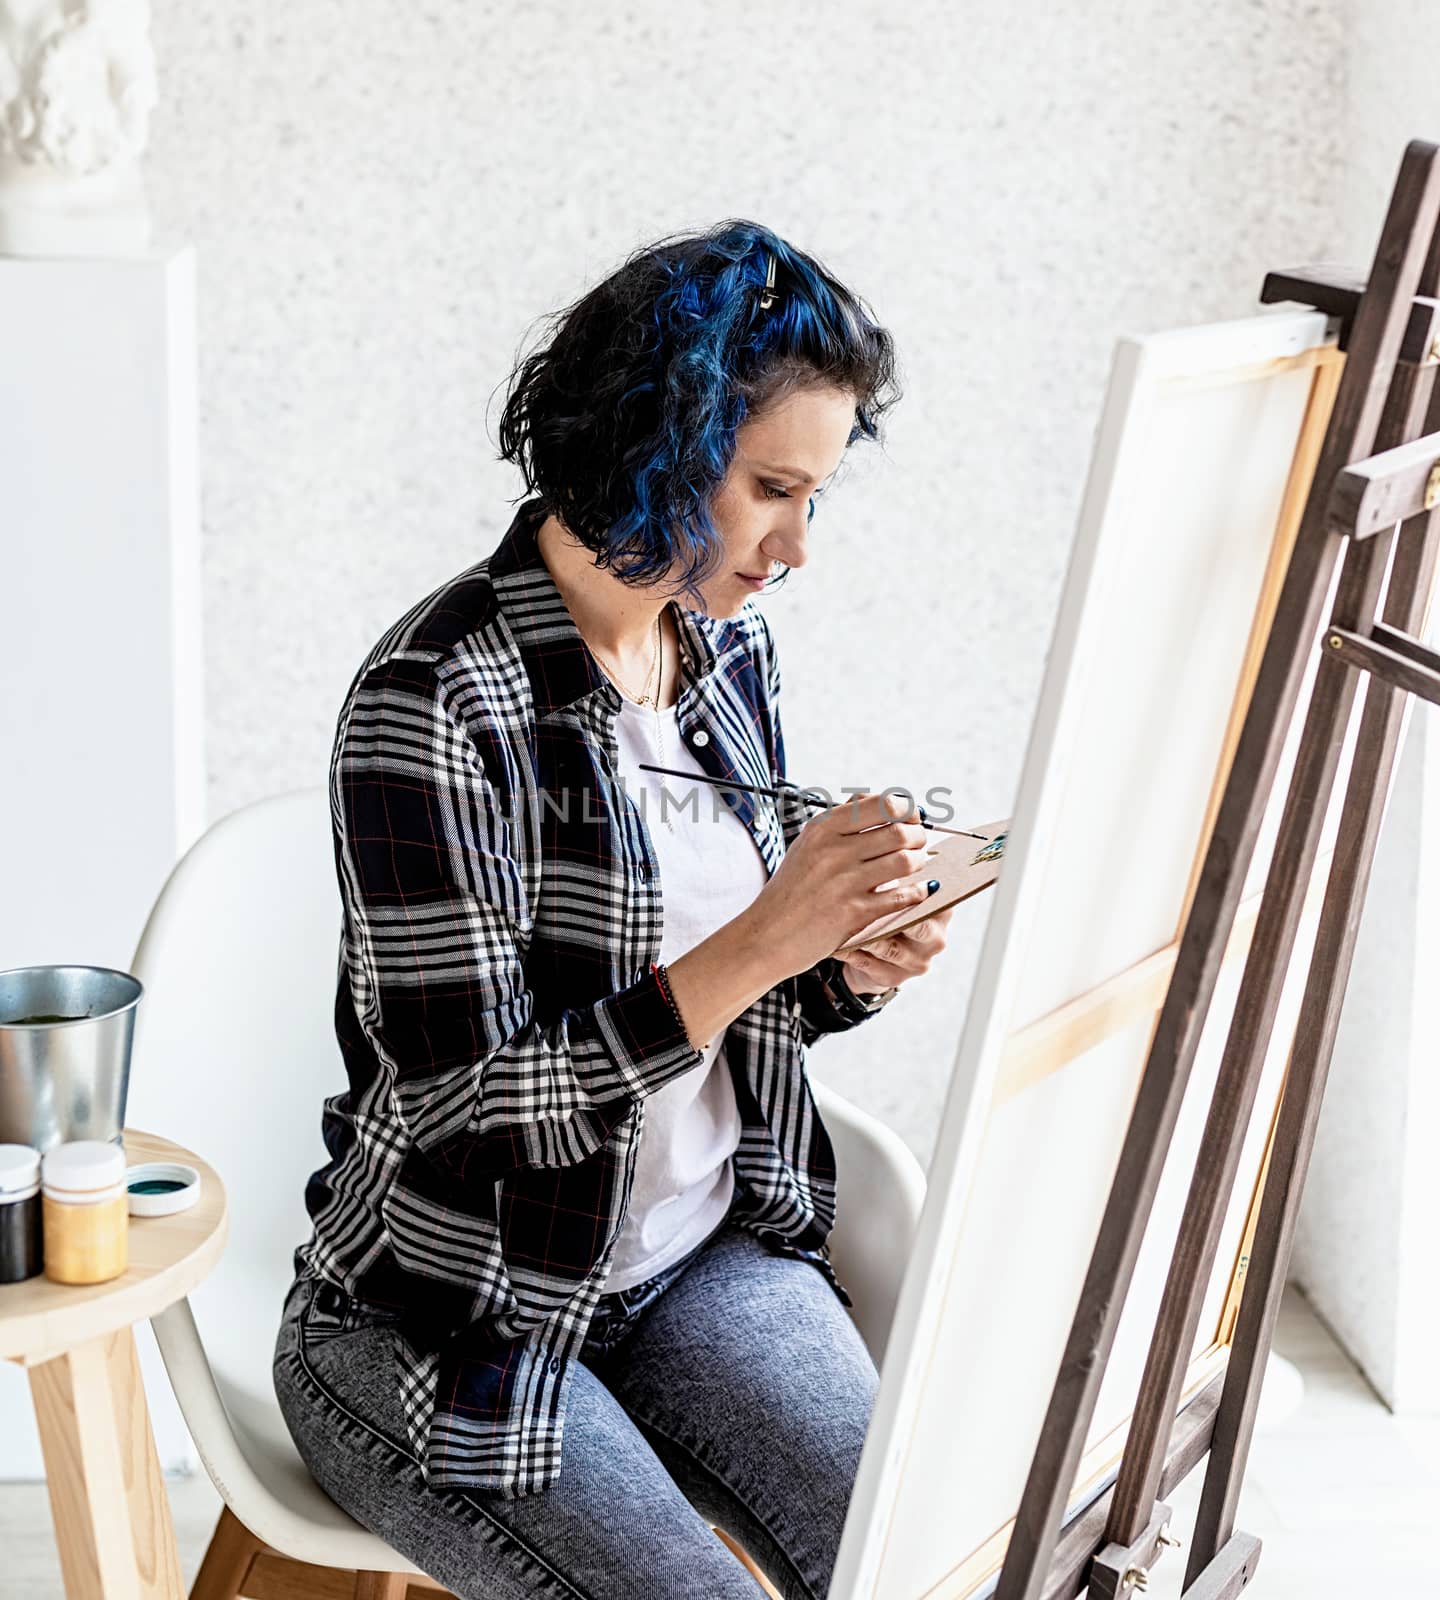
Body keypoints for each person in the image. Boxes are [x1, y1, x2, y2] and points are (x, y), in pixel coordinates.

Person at [272, 219, 956, 1600]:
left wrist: (845, 960)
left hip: (697, 1267)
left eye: (814, 496)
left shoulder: (722, 656)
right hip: (454, 1318)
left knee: (928, 1559)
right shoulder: (433, 701)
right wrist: (768, 934)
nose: (794, 547)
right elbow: (467, 1106)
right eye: (771, 487)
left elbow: (738, 1002)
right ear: (660, 437)